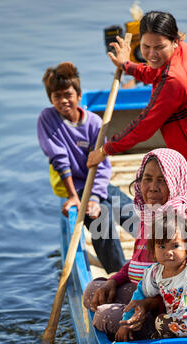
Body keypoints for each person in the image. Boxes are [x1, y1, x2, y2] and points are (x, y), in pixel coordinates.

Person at [87, 10, 187, 266]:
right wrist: (129, 67)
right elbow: (154, 72)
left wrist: (106, 149)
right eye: (146, 47)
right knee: (183, 227)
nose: (151, 54)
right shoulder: (181, 54)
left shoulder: (175, 81)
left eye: (159, 47)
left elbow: (144, 126)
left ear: (175, 41)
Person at [83, 147, 187, 340]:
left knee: (105, 316)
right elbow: (136, 263)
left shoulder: (186, 229)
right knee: (94, 291)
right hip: (142, 293)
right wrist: (114, 281)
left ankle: (153, 335)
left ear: (175, 183)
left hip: (171, 313)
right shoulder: (150, 217)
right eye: (147, 179)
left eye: (162, 180)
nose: (152, 187)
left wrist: (145, 305)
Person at [37, 62, 138, 274]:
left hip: (97, 182)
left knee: (129, 211)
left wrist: (94, 197)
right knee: (102, 219)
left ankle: (156, 254)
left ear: (79, 95)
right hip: (75, 186)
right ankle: (118, 274)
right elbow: (59, 158)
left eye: (68, 94)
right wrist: (76, 198)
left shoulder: (93, 122)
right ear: (50, 99)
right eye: (57, 96)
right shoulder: (48, 119)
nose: (63, 101)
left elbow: (102, 166)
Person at [118, 212, 187, 344]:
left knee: (162, 322)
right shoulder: (154, 273)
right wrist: (126, 323)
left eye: (175, 246)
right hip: (176, 322)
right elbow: (138, 298)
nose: (168, 252)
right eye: (162, 247)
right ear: (153, 250)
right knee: (162, 323)